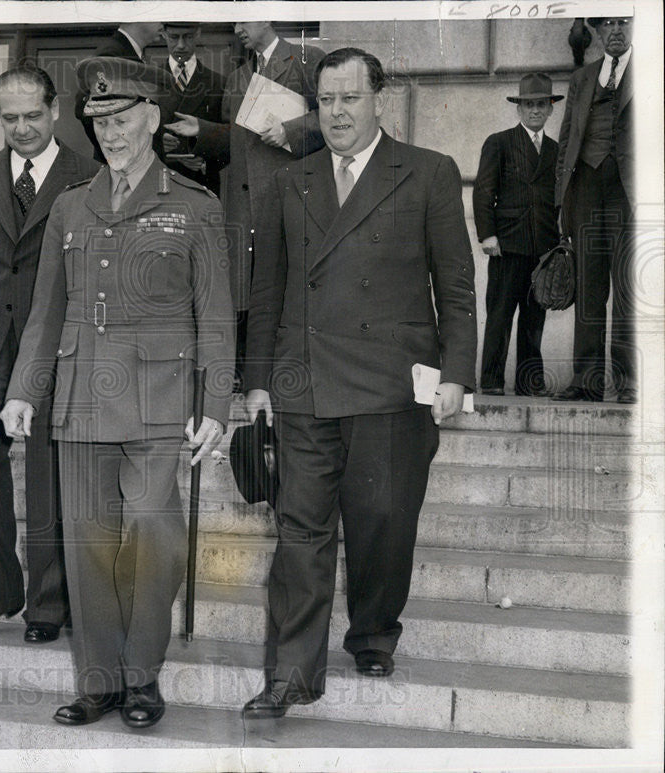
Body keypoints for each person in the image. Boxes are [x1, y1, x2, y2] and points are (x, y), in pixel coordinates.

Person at [240, 48, 477, 718]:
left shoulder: (427, 173)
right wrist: (259, 379)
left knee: (382, 523)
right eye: (326, 100)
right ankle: (290, 672)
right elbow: (269, 289)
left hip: (394, 386)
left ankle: (373, 628)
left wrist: (457, 373)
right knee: (300, 532)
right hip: (305, 382)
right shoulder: (293, 181)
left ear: (379, 99)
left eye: (349, 98)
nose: (336, 112)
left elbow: (455, 287)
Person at [1, 56, 234, 729]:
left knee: (152, 541)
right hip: (81, 397)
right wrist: (24, 390)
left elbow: (215, 317)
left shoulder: (195, 207)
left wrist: (215, 405)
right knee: (88, 544)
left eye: (123, 117)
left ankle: (142, 677)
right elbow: (47, 312)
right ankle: (99, 680)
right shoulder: (72, 205)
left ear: (153, 118)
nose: (111, 131)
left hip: (163, 402)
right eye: (99, 120)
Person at [0, 65, 100, 644]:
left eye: (32, 115)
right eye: (9, 118)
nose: (21, 128)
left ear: (55, 110)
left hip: (55, 350)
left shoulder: (87, 175)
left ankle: (48, 604)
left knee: (48, 479)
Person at [165, 22, 325, 380]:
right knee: (245, 294)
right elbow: (238, 142)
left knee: (288, 289)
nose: (237, 28)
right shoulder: (238, 77)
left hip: (289, 201)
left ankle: (289, 370)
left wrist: (291, 131)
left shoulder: (307, 59)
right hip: (241, 205)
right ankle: (249, 374)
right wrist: (202, 132)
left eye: (244, 18)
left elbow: (333, 117)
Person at [553, 16, 636, 403]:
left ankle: (627, 382)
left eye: (623, 22)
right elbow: (567, 137)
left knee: (626, 286)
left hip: (628, 190)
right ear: (598, 33)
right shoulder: (583, 78)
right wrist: (562, 201)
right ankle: (585, 381)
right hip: (585, 187)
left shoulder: (651, 72)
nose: (616, 30)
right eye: (608, 24)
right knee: (588, 286)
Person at [472, 73, 562, 397]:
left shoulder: (555, 150)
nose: (535, 110)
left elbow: (559, 199)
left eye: (542, 104)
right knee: (499, 315)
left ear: (551, 109)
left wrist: (560, 243)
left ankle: (528, 383)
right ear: (519, 109)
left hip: (543, 249)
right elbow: (483, 192)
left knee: (534, 319)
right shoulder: (499, 142)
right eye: (529, 105)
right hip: (507, 245)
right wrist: (488, 236)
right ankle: (493, 381)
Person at [74, 22, 165, 163]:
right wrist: (115, 150)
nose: (163, 22)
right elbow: (84, 110)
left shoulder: (132, 52)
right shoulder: (111, 54)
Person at [157, 21, 226, 195]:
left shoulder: (219, 83)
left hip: (201, 182)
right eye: (174, 37)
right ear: (164, 34)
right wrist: (158, 143)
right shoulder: (149, 79)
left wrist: (203, 160)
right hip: (158, 182)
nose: (181, 45)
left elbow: (231, 138)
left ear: (198, 34)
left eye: (187, 37)